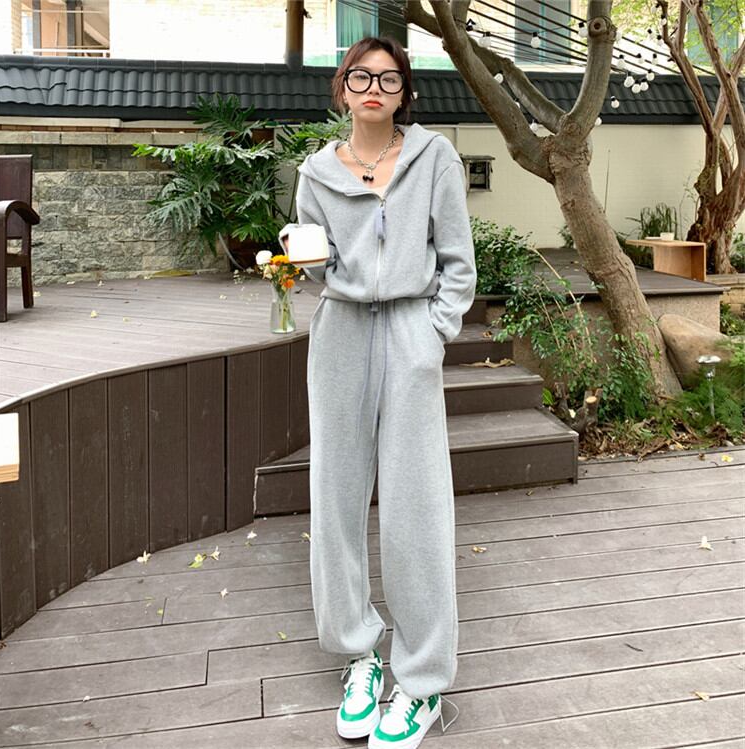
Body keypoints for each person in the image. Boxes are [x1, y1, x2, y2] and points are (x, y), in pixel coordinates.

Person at [279, 35, 476, 749]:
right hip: (340, 336)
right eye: (361, 77)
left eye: (388, 80)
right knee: (335, 496)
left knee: (416, 505)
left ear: (404, 94)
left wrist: (433, 333)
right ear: (342, 88)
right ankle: (358, 653)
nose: (374, 89)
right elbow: (318, 263)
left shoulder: (435, 159)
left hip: (410, 333)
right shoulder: (316, 172)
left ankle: (421, 681)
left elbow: (458, 262)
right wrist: (297, 256)